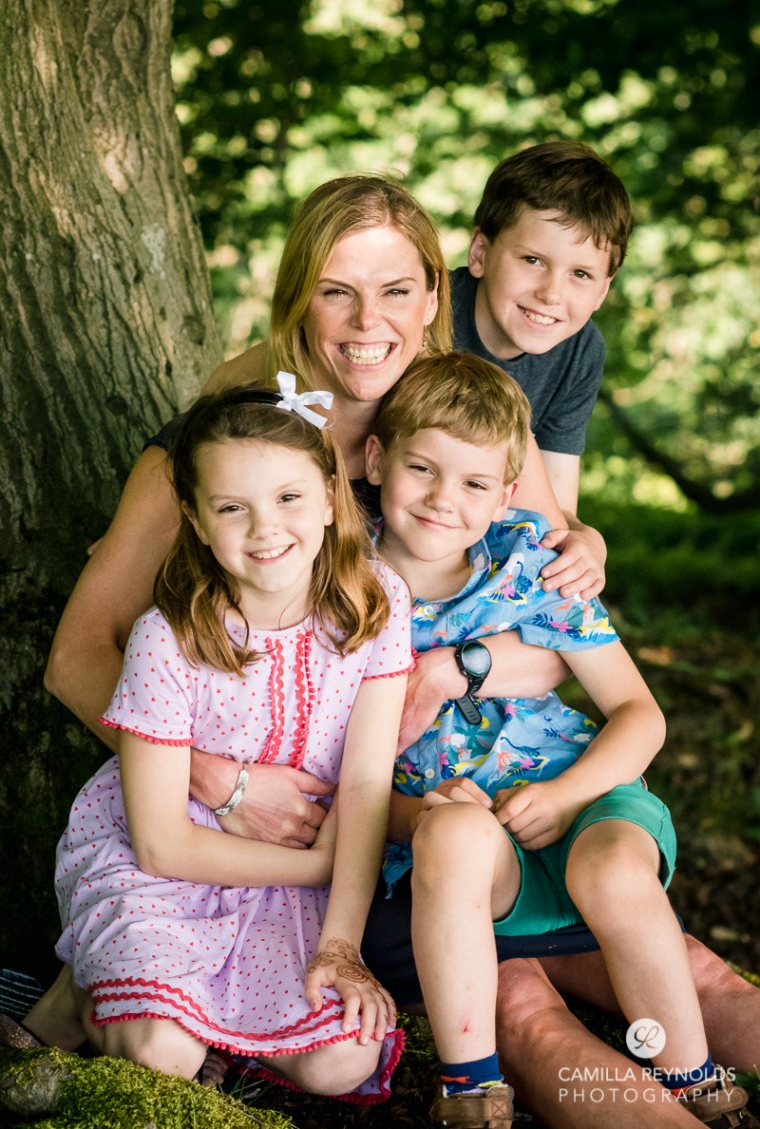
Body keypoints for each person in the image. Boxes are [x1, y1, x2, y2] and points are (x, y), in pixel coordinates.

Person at [37, 173, 759, 1126]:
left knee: (685, 961)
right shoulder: (232, 454)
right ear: (299, 298)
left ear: (433, 299)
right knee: (526, 1009)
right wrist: (219, 780)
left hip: (487, 803)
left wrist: (448, 666)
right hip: (357, 840)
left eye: (391, 291)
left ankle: (701, 1087)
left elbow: (552, 622)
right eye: (335, 290)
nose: (364, 320)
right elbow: (80, 653)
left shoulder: (459, 429)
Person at [363, 351, 754, 1128]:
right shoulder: (344, 591)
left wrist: (566, 792)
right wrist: (418, 815)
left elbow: (640, 713)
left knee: (613, 874)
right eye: (422, 469)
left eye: (475, 483)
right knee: (454, 838)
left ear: (509, 495)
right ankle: (471, 1088)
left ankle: (688, 1075)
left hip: (585, 805)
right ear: (375, 458)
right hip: (476, 855)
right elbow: (335, 766)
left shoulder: (531, 568)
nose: (445, 500)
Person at [20, 379, 414, 1100]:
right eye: (233, 508)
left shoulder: (377, 603)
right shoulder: (166, 640)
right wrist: (318, 865)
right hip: (170, 871)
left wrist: (340, 944)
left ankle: (204, 1035)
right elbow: (162, 844)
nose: (266, 530)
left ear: (332, 497)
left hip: (287, 892)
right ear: (197, 522)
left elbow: (363, 784)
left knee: (342, 1060)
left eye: (289, 498)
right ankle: (87, 998)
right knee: (160, 1051)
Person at [451, 140, 632, 526]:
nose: (551, 294)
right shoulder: (429, 312)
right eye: (533, 260)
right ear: (480, 252)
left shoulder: (580, 351)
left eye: (580, 274)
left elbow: (555, 510)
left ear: (603, 290)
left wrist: (585, 539)